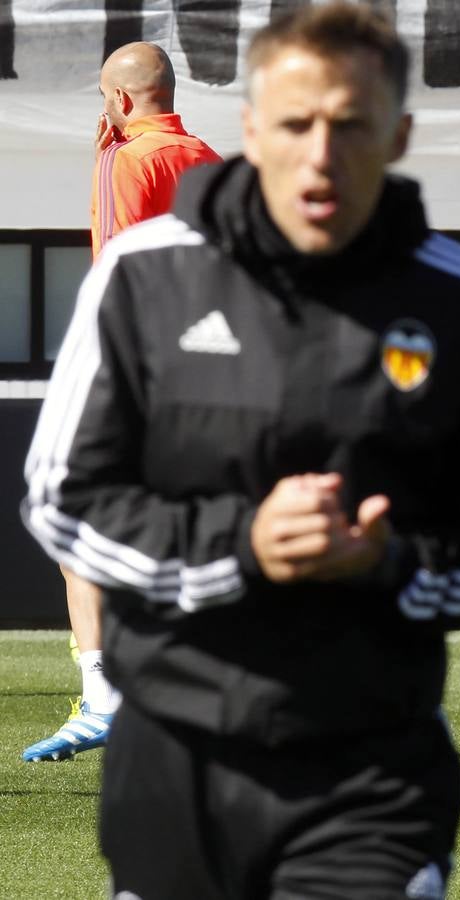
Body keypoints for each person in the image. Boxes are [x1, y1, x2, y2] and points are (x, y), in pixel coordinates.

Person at [21, 4, 460, 896]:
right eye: (295, 124)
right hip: (176, 763)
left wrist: (393, 561)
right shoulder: (143, 277)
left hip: (372, 770)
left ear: (398, 136)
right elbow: (61, 499)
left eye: (350, 124)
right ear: (250, 131)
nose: (320, 152)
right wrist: (241, 546)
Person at [22, 40, 221, 764]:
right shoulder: (205, 157)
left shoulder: (125, 160)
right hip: (209, 373)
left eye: (105, 97)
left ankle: (107, 698)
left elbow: (117, 269)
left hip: (140, 370)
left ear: (123, 98)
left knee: (76, 524)